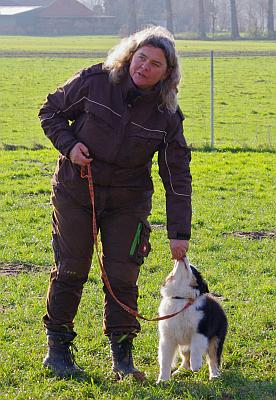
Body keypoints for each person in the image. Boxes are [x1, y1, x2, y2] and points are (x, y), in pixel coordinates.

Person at [38, 26, 192, 380]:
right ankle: (58, 350)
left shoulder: (167, 114)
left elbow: (177, 176)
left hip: (129, 200)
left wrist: (178, 233)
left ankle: (122, 359)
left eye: (155, 64)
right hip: (76, 191)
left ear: (167, 73)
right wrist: (70, 146)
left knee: (123, 276)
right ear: (130, 56)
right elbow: (51, 111)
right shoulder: (96, 81)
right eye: (141, 58)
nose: (145, 67)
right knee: (72, 268)